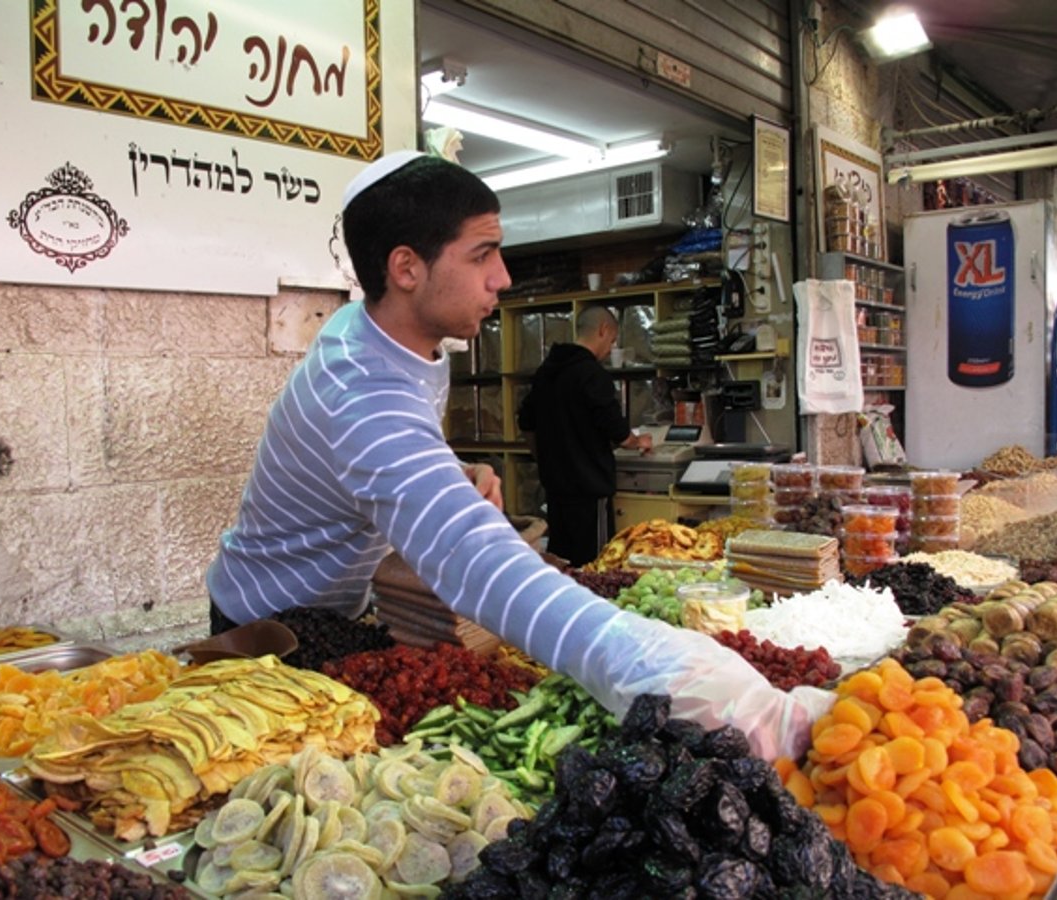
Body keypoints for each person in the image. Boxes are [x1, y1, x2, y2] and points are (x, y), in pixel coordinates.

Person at [206, 149, 832, 760]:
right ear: (405, 268)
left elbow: (373, 450)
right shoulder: (359, 386)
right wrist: (654, 665)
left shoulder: (387, 337)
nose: (503, 277)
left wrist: (449, 469)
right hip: (265, 631)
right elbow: (472, 563)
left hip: (337, 605)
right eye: (482, 254)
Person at [517, 305, 653, 566]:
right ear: (603, 330)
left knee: (562, 561)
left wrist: (544, 458)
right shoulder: (592, 374)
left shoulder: (546, 371)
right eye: (612, 341)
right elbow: (616, 429)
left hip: (556, 488)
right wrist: (639, 441)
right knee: (598, 563)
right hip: (590, 490)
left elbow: (526, 423)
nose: (609, 350)